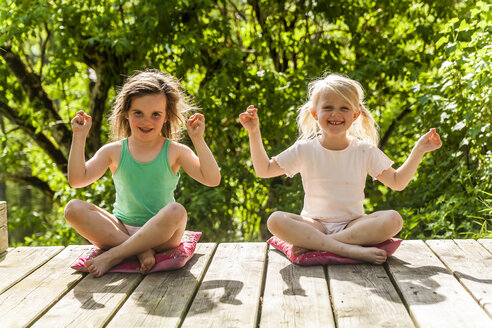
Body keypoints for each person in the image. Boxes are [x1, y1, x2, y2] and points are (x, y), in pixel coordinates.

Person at [239, 73, 442, 264]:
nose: (336, 113)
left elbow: (398, 182)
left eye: (344, 108)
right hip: (313, 224)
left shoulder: (365, 150)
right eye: (328, 107)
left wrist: (419, 150)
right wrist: (254, 132)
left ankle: (323, 246)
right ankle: (348, 250)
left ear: (355, 114)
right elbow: (264, 170)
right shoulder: (304, 149)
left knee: (394, 220)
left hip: (353, 225)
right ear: (314, 113)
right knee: (275, 220)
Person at [64, 69, 221, 277]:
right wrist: (79, 136)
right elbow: (76, 180)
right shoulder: (114, 151)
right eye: (138, 113)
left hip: (163, 237)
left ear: (166, 118)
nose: (146, 121)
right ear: (126, 113)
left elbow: (212, 179)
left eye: (156, 114)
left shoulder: (175, 150)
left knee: (177, 211)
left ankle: (115, 255)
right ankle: (139, 250)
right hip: (119, 231)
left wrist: (198, 139)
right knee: (73, 208)